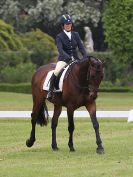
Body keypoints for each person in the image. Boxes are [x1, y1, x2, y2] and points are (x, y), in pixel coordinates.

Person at [47, 14, 88, 99]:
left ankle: (87, 90)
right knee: (56, 71)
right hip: (64, 60)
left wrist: (85, 56)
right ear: (63, 26)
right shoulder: (59, 36)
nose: (68, 26)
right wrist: (68, 57)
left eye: (70, 24)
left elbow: (81, 47)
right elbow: (60, 50)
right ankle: (50, 92)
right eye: (66, 24)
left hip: (76, 59)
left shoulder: (76, 34)